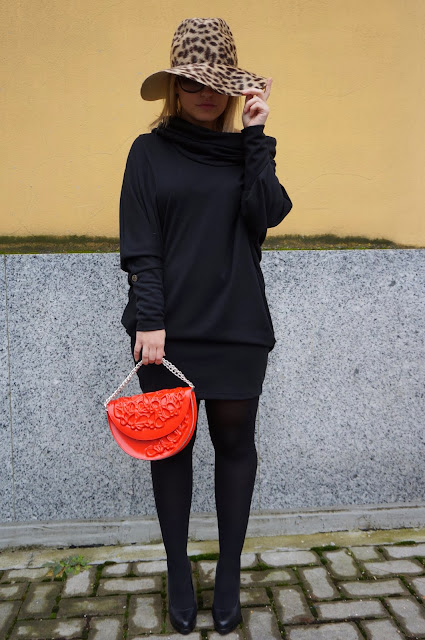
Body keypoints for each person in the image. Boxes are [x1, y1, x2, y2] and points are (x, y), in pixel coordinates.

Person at [119, 17, 292, 636]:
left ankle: (228, 573)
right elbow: (141, 245)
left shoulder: (247, 149)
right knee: (171, 451)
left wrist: (257, 135)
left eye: (218, 82)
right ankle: (176, 569)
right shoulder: (148, 152)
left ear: (234, 88)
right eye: (192, 81)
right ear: (175, 86)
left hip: (238, 326)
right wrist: (150, 319)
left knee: (235, 447)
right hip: (166, 334)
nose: (205, 93)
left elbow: (266, 213)